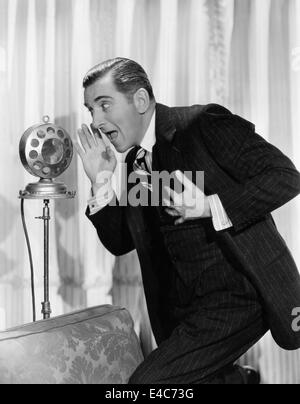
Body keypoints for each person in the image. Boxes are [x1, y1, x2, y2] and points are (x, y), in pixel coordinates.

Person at [75, 57, 300, 384]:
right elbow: (122, 242)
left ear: (139, 100)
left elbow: (285, 177)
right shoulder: (138, 163)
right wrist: (101, 182)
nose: (96, 120)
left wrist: (210, 206)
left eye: (104, 105)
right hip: (185, 315)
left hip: (239, 297)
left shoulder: (203, 124)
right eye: (90, 110)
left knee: (146, 385)